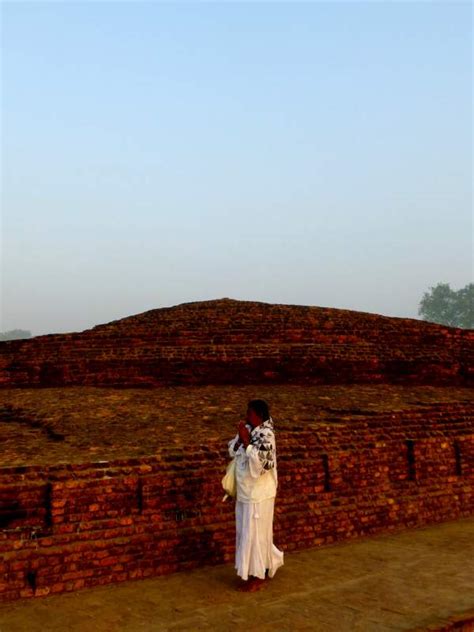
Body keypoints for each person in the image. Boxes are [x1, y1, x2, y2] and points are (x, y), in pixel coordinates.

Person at [227, 398, 284, 591]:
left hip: (260, 495)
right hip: (246, 492)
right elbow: (231, 451)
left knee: (257, 535)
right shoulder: (250, 430)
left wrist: (245, 441)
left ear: (259, 416)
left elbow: (263, 465)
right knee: (246, 533)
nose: (246, 416)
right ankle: (254, 569)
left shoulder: (267, 435)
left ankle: (258, 575)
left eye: (249, 413)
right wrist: (241, 439)